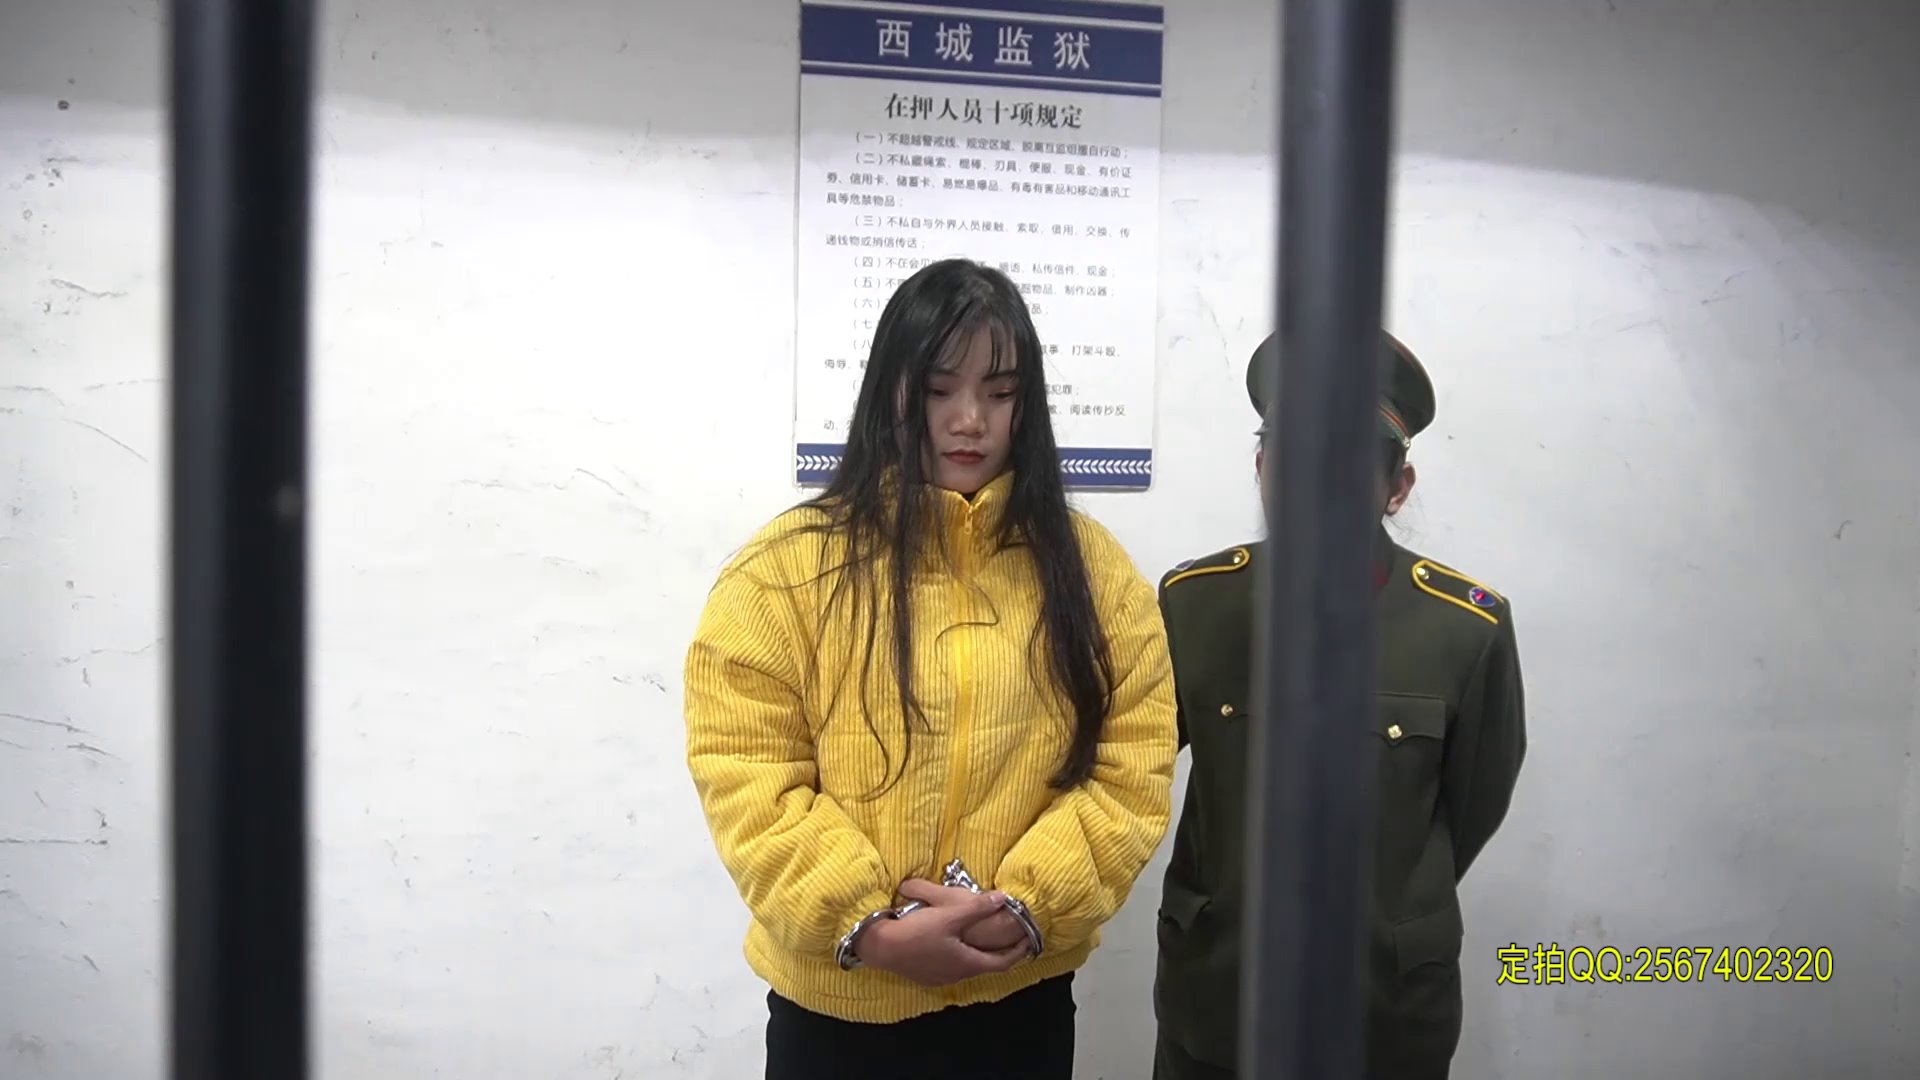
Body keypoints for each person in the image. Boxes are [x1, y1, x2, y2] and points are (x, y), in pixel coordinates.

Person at [683, 257, 1179, 1080]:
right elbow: (747, 774)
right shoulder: (782, 572)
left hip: (1018, 1002)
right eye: (941, 389)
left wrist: (1027, 906)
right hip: (838, 1009)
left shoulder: (1095, 575)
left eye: (1000, 392)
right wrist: (867, 925)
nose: (970, 420)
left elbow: (1133, 766)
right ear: (892, 391)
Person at [1150, 331, 1528, 1080]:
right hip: (1217, 997)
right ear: (1262, 468)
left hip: (1383, 1009)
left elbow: (1472, 807)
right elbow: (1133, 765)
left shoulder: (1466, 628)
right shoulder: (1195, 605)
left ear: (1397, 486)